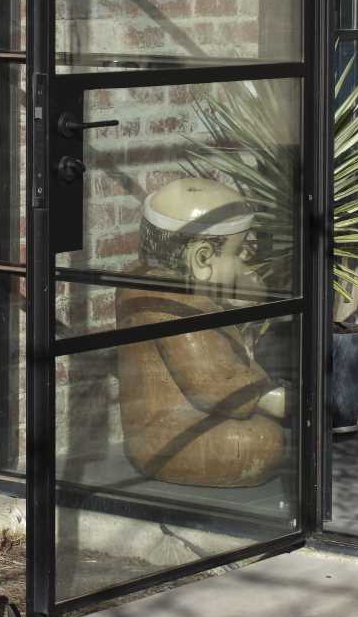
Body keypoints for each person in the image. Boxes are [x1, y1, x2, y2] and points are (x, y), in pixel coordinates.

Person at [115, 178, 287, 488]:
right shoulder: (171, 302)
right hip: (167, 438)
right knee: (267, 440)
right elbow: (213, 386)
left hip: (178, 425)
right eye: (239, 254)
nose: (245, 266)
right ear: (203, 259)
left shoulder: (143, 279)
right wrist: (269, 396)